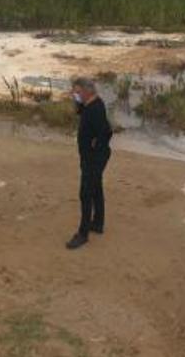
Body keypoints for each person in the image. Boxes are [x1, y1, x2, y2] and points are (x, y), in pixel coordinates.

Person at [66, 77, 112, 250]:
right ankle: (98, 223)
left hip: (94, 159)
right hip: (90, 158)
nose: (75, 95)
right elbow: (79, 112)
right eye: (74, 92)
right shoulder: (89, 105)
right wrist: (76, 101)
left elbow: (107, 132)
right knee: (96, 188)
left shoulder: (96, 108)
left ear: (87, 91)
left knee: (85, 194)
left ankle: (82, 234)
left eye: (78, 92)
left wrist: (95, 149)